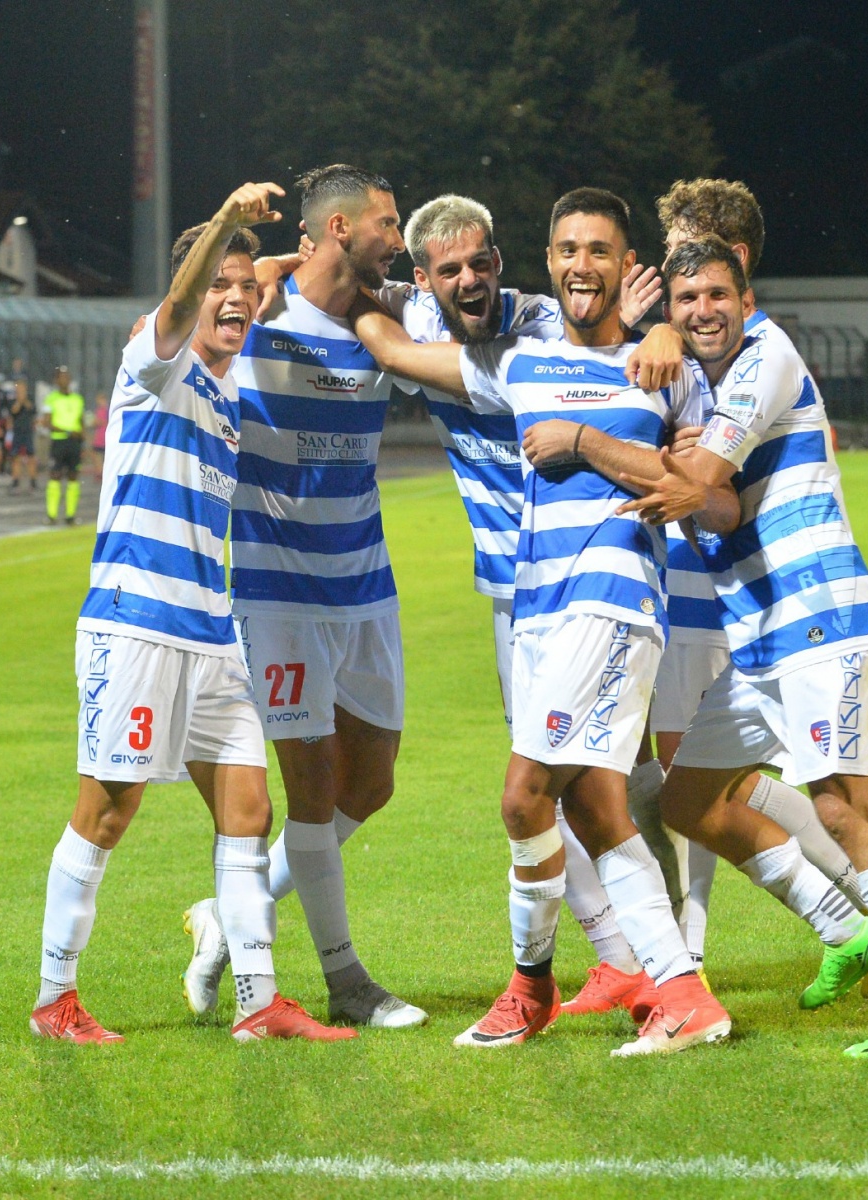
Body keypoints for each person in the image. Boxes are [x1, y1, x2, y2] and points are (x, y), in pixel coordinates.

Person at [177, 193, 671, 1022]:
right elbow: (323, 312)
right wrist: (270, 265)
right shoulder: (392, 315)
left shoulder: (548, 322)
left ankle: (644, 956)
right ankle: (630, 959)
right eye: (449, 270)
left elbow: (626, 341)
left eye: (481, 263)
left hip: (591, 578)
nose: (468, 280)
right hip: (495, 595)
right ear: (418, 276)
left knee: (616, 780)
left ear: (506, 262)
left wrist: (654, 331)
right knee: (569, 784)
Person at [349, 187, 731, 1056]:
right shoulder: (519, 362)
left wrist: (594, 436)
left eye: (598, 250)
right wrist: (316, 277)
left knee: (524, 797)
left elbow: (707, 490)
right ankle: (681, 992)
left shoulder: (662, 368)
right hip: (535, 609)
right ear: (550, 262)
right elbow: (404, 351)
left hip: (611, 600)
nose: (580, 266)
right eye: (566, 250)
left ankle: (529, 987)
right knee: (595, 807)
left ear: (623, 265)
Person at [616, 237, 868, 1057]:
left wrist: (584, 442)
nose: (702, 311)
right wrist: (647, 344)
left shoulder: (765, 357)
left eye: (716, 296)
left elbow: (699, 483)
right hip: (762, 640)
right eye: (686, 298)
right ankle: (843, 930)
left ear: (746, 295)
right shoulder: (710, 375)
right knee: (688, 800)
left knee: (845, 808)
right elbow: (720, 504)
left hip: (822, 620)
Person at [31, 181, 355, 1045]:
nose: (238, 300)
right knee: (107, 812)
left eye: (246, 292)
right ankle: (53, 1000)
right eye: (223, 286)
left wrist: (271, 264)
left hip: (210, 631)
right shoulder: (156, 355)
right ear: (189, 290)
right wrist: (224, 223)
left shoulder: (223, 388)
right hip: (136, 620)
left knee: (248, 812)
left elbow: (258, 283)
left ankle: (259, 1003)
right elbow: (184, 297)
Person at [218, 163, 429, 1031]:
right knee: (309, 791)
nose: (401, 238)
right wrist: (256, 271)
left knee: (370, 782)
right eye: (388, 222)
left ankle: (226, 922)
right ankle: (347, 982)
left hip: (366, 586)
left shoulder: (387, 320)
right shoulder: (257, 315)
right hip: (280, 595)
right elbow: (175, 318)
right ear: (339, 230)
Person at [40, 366, 85, 523]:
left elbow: (81, 422)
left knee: (73, 476)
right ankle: (51, 515)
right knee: (55, 475)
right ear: (56, 380)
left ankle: (70, 515)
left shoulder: (78, 399)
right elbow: (46, 422)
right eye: (62, 377)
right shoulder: (51, 399)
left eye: (67, 377)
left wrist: (82, 437)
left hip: (74, 443)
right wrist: (67, 431)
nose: (65, 380)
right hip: (59, 441)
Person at [2, 364, 38, 490]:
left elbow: (33, 410)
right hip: (17, 431)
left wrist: (25, 400)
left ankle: (33, 479)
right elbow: (13, 411)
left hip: (28, 431)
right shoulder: (12, 399)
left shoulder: (31, 398)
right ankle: (15, 479)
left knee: (31, 456)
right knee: (15, 456)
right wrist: (19, 400)